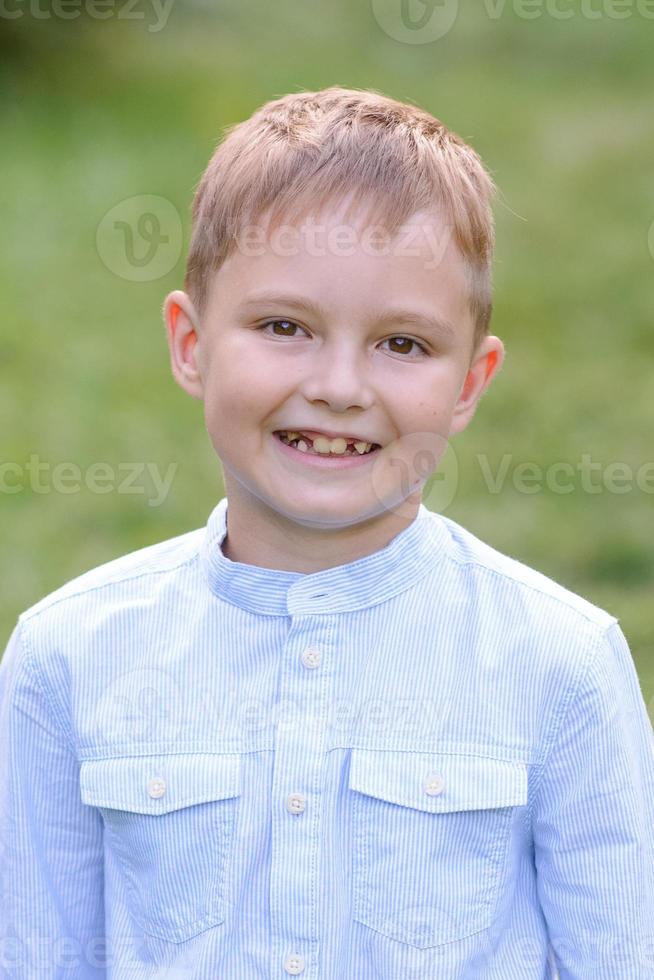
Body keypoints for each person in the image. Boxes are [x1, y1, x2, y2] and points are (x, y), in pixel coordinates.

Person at [1, 85, 652, 980]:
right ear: (191, 344)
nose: (341, 385)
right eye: (284, 327)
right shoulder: (65, 658)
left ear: (470, 382)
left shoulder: (560, 665)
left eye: (403, 345)